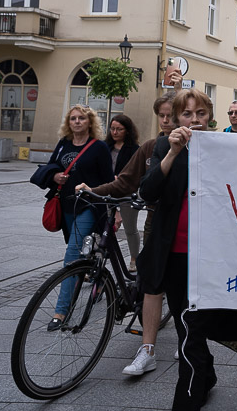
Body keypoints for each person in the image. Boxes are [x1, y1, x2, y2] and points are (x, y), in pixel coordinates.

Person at [140, 89, 237, 410]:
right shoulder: (163, 146)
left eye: (200, 113)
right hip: (174, 253)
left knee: (192, 327)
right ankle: (207, 374)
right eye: (187, 114)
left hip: (208, 255)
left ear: (210, 116)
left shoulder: (223, 146)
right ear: (175, 118)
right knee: (190, 327)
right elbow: (148, 192)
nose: (195, 120)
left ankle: (185, 401)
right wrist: (172, 153)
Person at [77, 91, 177, 376]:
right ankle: (147, 349)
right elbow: (124, 182)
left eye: (172, 114)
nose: (167, 120)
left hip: (185, 224)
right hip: (156, 220)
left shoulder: (196, 145)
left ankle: (188, 339)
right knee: (150, 278)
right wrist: (92, 191)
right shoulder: (150, 147)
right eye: (162, 115)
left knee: (182, 280)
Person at [46, 105, 114, 331]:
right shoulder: (64, 144)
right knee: (80, 250)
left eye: (81, 118)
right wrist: (55, 175)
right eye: (73, 118)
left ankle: (61, 311)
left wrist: (116, 210)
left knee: (71, 255)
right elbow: (51, 167)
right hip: (66, 205)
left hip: (88, 205)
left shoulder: (99, 147)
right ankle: (97, 275)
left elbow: (108, 180)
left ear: (89, 122)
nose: (76, 122)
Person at [105, 114, 141, 272]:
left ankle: (134, 258)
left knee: (130, 228)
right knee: (104, 228)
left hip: (126, 193)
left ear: (127, 130)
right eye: (112, 129)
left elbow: (137, 173)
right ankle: (97, 261)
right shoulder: (105, 146)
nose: (115, 132)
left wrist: (121, 178)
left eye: (119, 129)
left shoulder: (134, 149)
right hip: (106, 192)